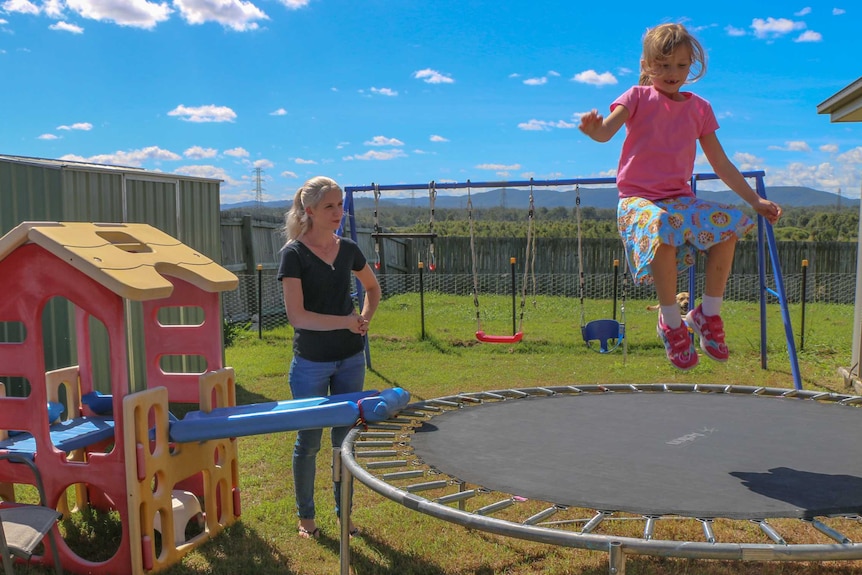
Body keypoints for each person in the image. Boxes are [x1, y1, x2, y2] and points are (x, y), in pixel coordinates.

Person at [578, 23, 782, 370]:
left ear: (692, 66)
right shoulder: (637, 97)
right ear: (647, 65)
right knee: (662, 226)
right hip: (638, 201)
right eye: (663, 65)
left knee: (730, 224)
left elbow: (720, 162)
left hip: (678, 199)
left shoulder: (699, 108)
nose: (672, 73)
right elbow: (608, 131)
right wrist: (596, 131)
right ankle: (671, 321)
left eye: (681, 65)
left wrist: (754, 201)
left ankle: (707, 314)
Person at [277, 175, 381, 539]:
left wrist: (364, 319)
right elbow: (298, 317)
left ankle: (344, 515)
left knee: (345, 443)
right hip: (310, 364)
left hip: (351, 360)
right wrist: (346, 321)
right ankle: (307, 518)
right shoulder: (293, 255)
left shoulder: (349, 248)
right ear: (310, 211)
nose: (339, 212)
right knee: (308, 442)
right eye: (330, 206)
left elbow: (372, 287)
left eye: (340, 205)